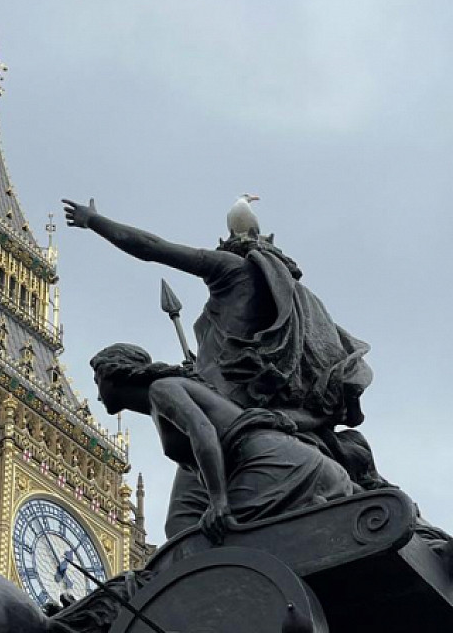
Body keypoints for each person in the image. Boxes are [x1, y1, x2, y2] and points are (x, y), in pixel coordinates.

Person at [64, 198, 372, 429]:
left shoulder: (229, 269)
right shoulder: (296, 297)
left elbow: (151, 247)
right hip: (267, 403)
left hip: (225, 401)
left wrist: (94, 220)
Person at [90, 343, 355, 546]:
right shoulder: (163, 395)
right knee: (189, 539)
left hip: (274, 464)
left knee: (210, 543)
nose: (98, 395)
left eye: (96, 380)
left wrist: (218, 501)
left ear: (110, 373)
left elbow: (203, 432)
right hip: (279, 461)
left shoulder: (162, 390)